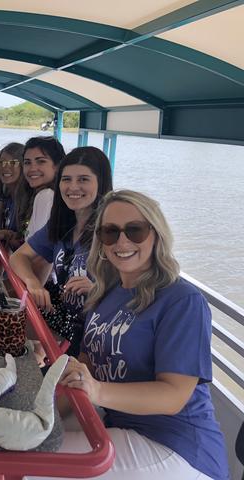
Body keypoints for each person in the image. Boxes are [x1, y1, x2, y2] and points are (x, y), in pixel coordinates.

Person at [52, 190, 229, 480]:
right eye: (110, 232)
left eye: (135, 230)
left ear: (156, 234)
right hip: (119, 424)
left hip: (175, 445)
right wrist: (41, 409)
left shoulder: (181, 300)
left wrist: (97, 390)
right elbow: (87, 365)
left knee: (33, 464)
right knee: (22, 442)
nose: (122, 241)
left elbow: (173, 395)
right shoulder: (107, 294)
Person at [10, 146, 112, 355]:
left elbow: (137, 291)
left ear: (100, 182)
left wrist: (97, 290)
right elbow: (19, 257)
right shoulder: (62, 225)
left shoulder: (112, 231)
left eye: (83, 179)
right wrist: (33, 282)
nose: (73, 187)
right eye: (66, 179)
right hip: (68, 329)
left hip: (99, 338)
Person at [16, 136, 64, 239]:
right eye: (27, 162)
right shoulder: (48, 194)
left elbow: (38, 251)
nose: (32, 168)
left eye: (41, 161)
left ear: (57, 166)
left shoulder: (46, 195)